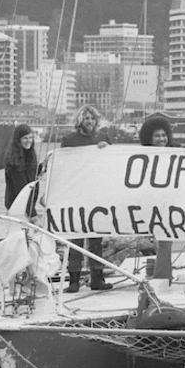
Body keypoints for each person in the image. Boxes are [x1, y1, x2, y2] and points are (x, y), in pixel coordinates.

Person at [138, 116, 185, 285]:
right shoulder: (144, 155)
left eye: (164, 135)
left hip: (183, 199)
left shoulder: (178, 150)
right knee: (165, 242)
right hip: (163, 204)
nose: (162, 139)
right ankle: (162, 278)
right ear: (149, 139)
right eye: (157, 136)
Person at [61, 105, 113, 293]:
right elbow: (63, 166)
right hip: (76, 194)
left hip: (97, 193)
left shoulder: (103, 138)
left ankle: (97, 278)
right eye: (86, 118)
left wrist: (106, 149)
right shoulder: (69, 140)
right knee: (76, 238)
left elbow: (113, 163)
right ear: (80, 121)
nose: (89, 121)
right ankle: (73, 279)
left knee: (96, 238)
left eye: (92, 118)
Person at [4, 123, 39, 220]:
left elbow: (31, 176)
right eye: (25, 138)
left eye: (30, 138)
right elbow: (22, 190)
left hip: (28, 206)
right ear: (18, 140)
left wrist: (42, 167)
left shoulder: (30, 156)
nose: (29, 141)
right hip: (17, 208)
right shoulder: (14, 162)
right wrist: (33, 215)